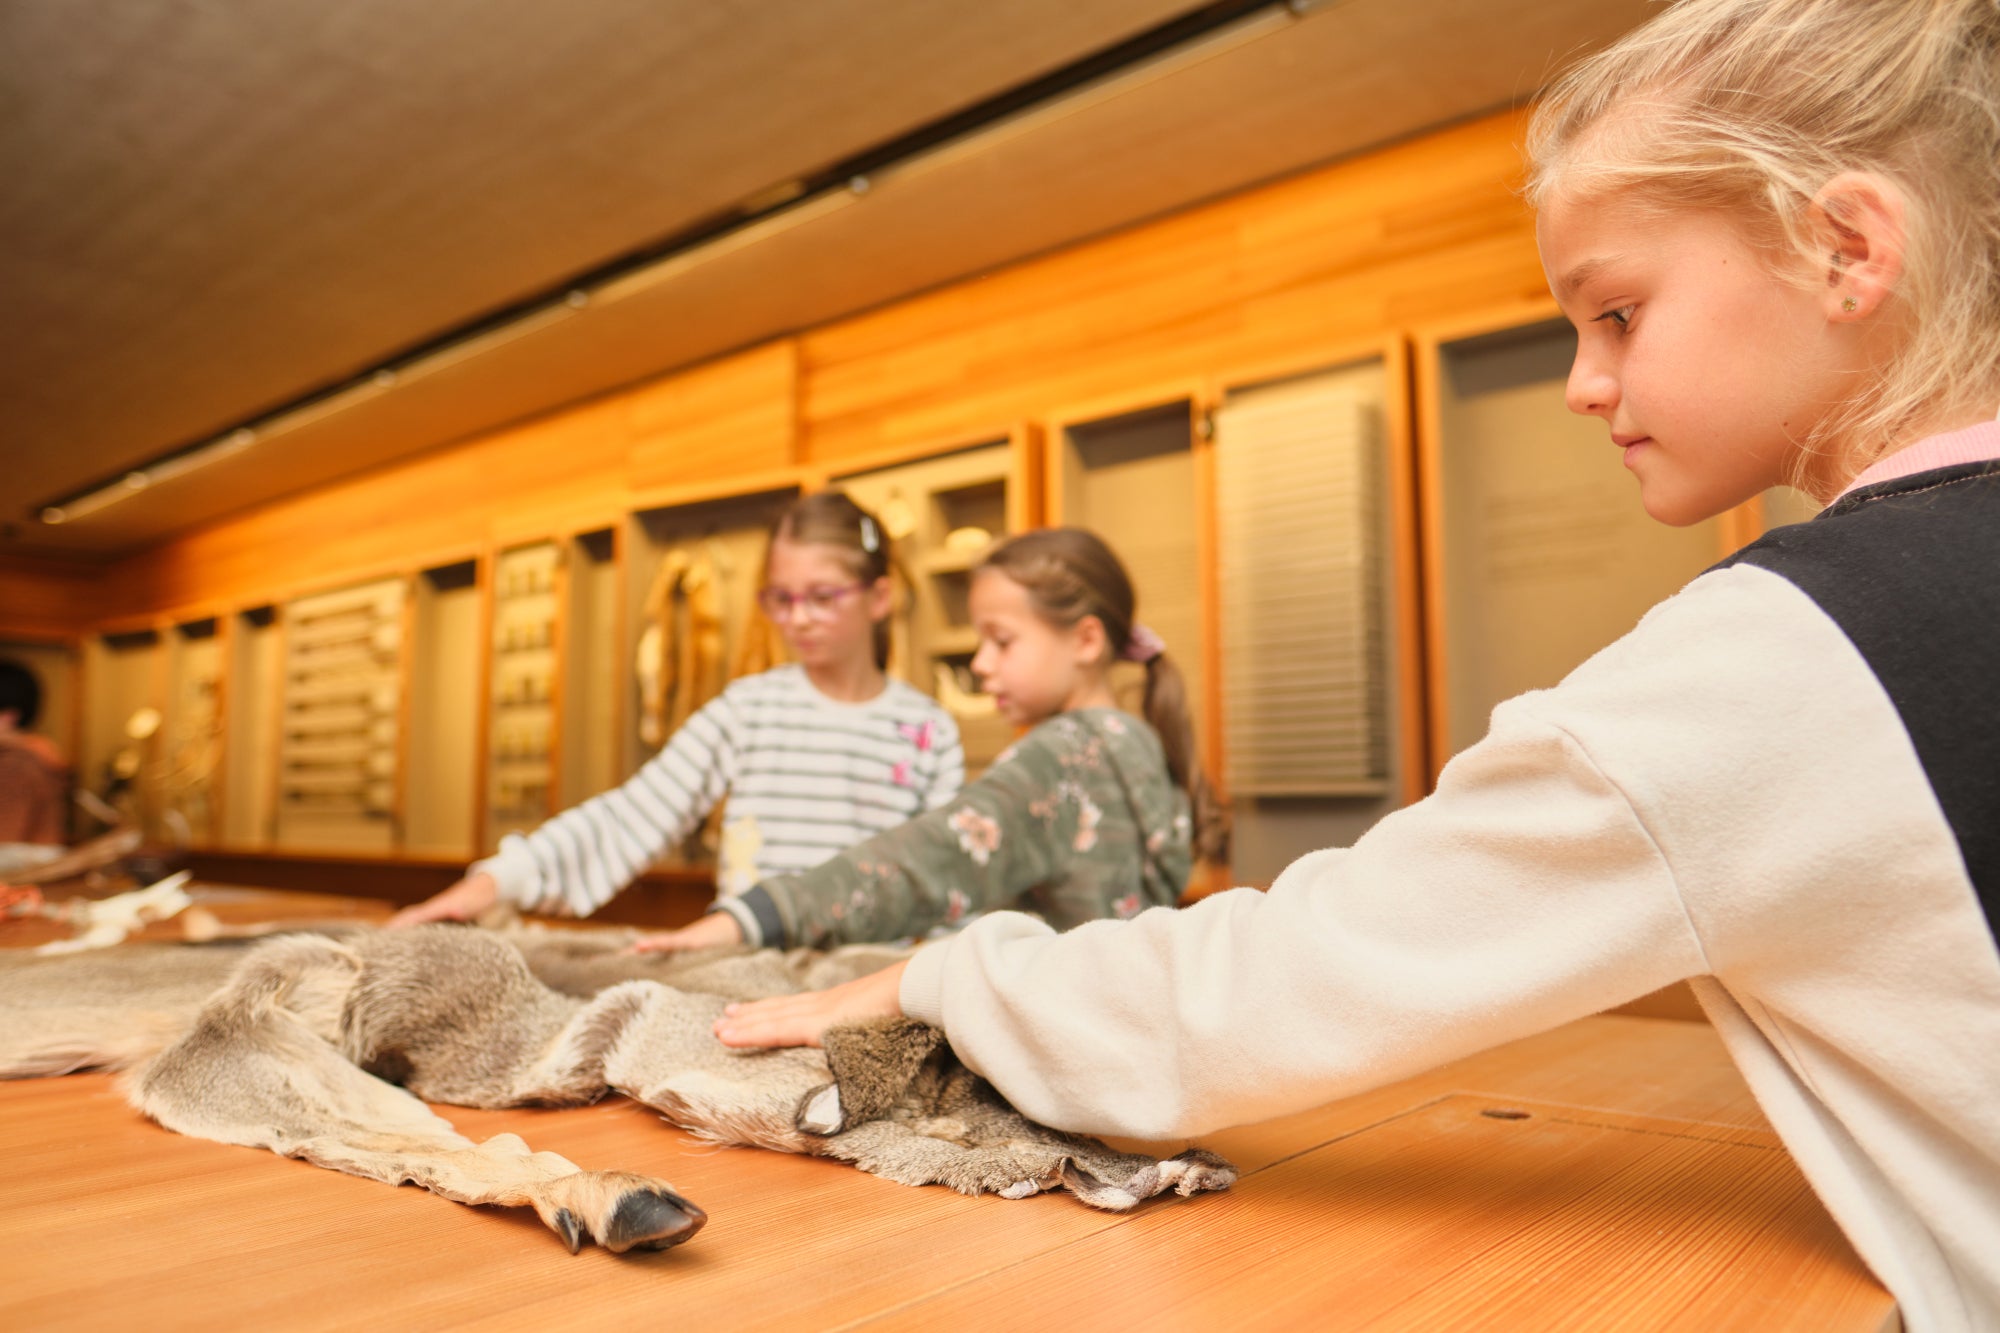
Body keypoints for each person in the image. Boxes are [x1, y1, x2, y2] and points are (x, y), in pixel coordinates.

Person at [712, 2, 2000, 1325]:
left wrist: (949, 979)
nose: (1584, 381)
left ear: (1848, 248)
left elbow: (1280, 985)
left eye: (1618, 312)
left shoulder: (1790, 662)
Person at [626, 526, 1228, 952]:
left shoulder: (1064, 756)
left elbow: (925, 861)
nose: (982, 665)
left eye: (1002, 641)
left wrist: (756, 917)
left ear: (1087, 641)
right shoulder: (1141, 743)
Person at [389, 492, 964, 925]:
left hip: (866, 983)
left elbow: (946, 883)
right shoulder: (748, 709)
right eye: (781, 599)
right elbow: (633, 815)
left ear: (880, 597)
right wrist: (495, 883)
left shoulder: (927, 731)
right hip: (748, 966)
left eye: (822, 597)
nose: (797, 619)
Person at [0, 659, 68, 846]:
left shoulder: (15, 763)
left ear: (9, 716)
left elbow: (7, 837)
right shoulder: (35, 753)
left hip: (19, 870)